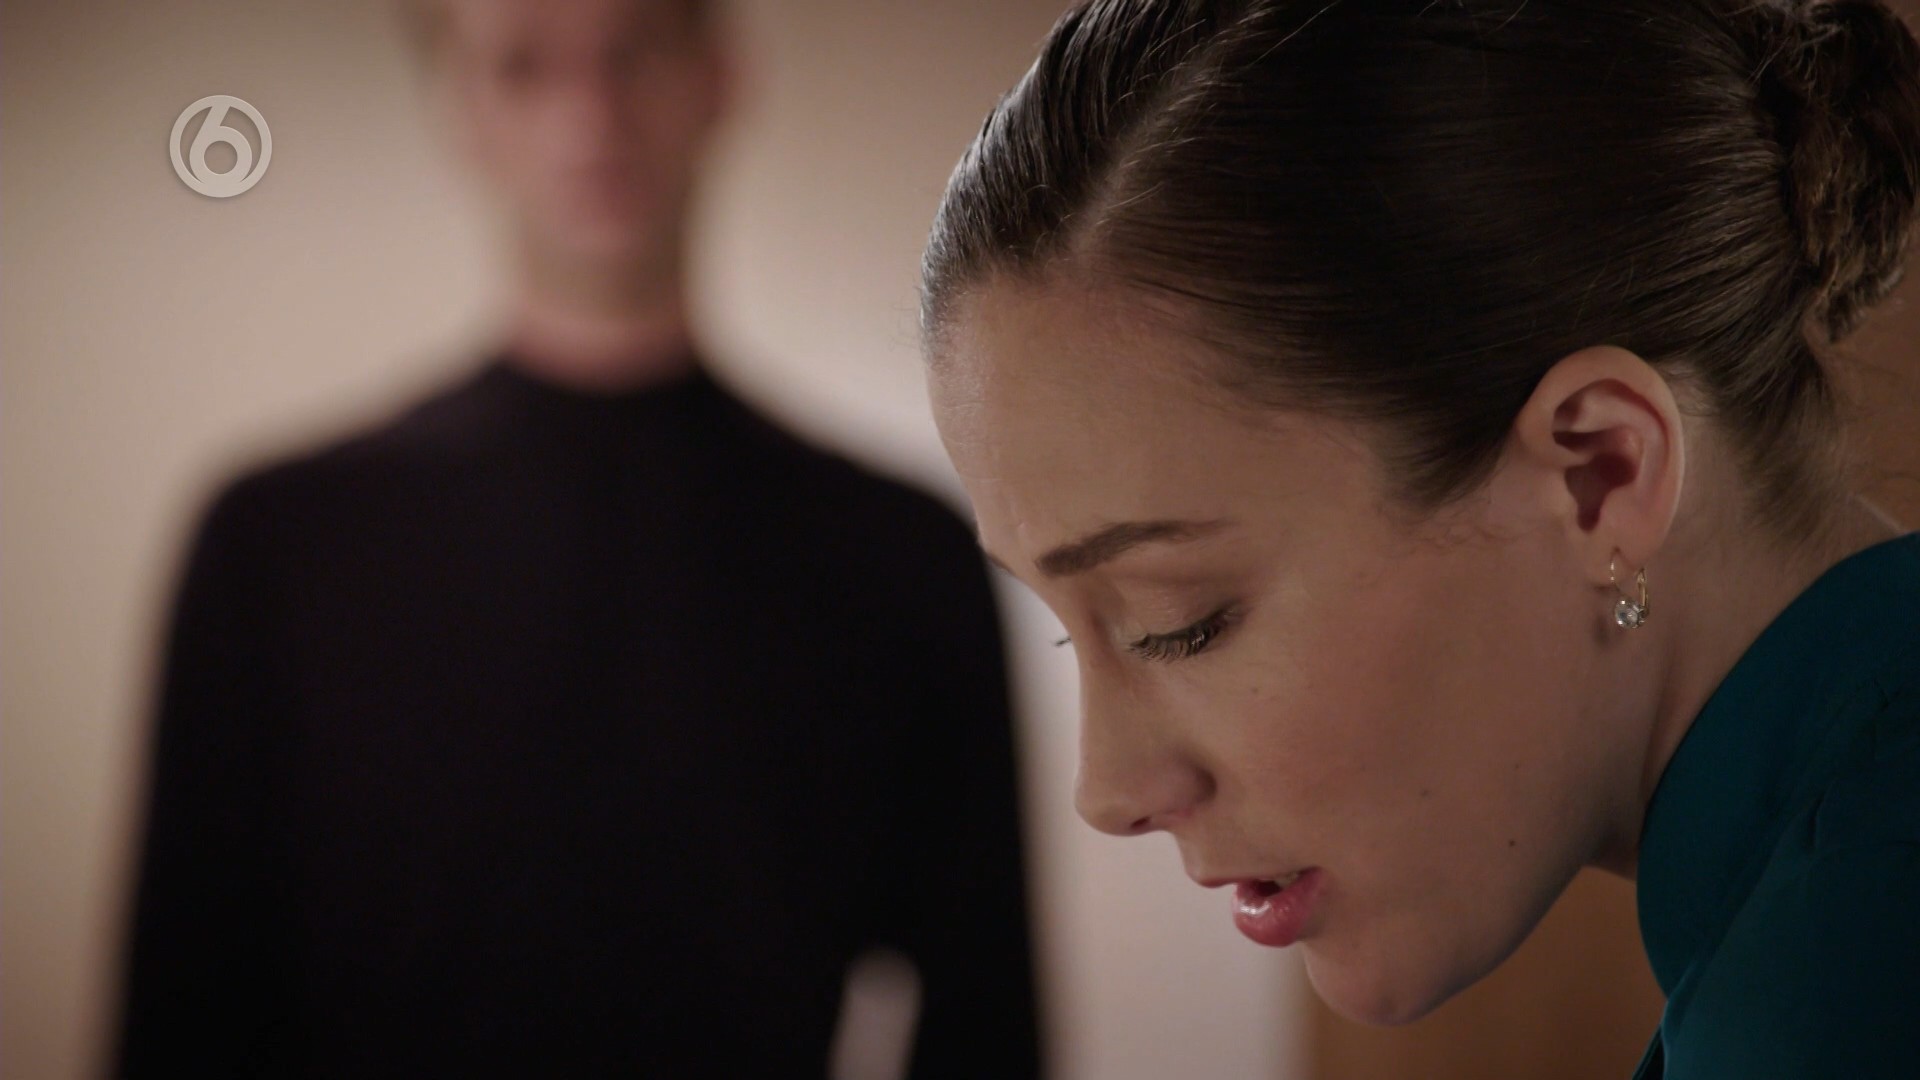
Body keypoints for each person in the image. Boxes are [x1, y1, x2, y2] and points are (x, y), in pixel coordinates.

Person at [917, 0, 1920, 1076]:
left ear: (1601, 475)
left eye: (1181, 623)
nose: (1106, 792)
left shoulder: (1837, 1000)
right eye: (1066, 632)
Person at [116, 1, 1041, 1075]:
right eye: (523, 67)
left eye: (633, 51)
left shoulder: (900, 559)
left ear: (720, 78)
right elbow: (177, 1019)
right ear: (459, 110)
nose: (590, 115)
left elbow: (989, 1025)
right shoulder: (274, 549)